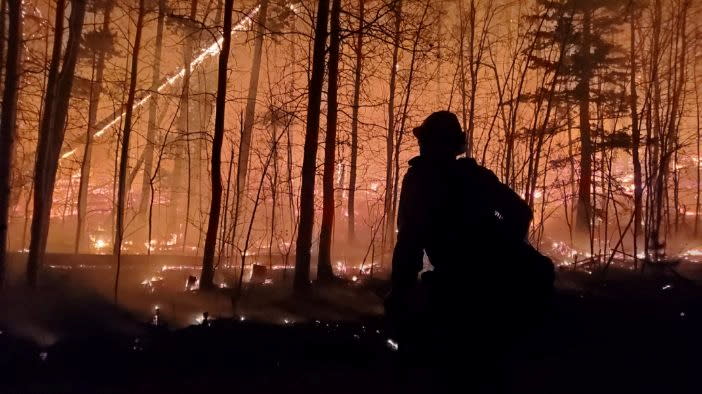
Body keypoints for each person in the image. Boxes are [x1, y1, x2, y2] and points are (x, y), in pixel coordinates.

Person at [385, 111, 553, 392]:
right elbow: (520, 212)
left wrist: (401, 293)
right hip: (481, 277)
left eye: (427, 141)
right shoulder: (473, 177)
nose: (423, 147)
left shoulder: (421, 180)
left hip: (463, 279)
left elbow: (409, 243)